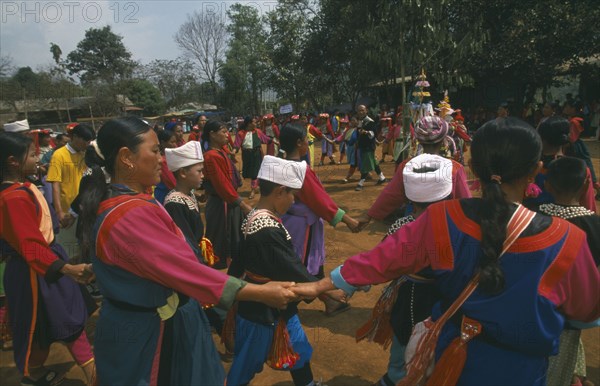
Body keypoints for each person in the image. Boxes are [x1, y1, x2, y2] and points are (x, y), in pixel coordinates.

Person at [293, 118, 600, 385]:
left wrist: (322, 283)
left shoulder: (443, 218)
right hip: (520, 371)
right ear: (535, 170)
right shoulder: (568, 240)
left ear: (473, 167)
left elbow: (383, 259)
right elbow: (586, 310)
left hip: (451, 359)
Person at [77, 116, 298, 385]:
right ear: (126, 157)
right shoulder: (130, 214)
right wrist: (259, 292)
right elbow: (183, 270)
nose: (162, 159)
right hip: (150, 332)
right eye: (156, 151)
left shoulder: (136, 199)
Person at [227, 156, 335, 386]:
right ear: (280, 191)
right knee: (246, 365)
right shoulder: (267, 228)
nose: (293, 200)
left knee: (298, 350)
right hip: (263, 312)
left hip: (269, 307)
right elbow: (291, 267)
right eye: (292, 195)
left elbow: (239, 261)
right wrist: (327, 288)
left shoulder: (254, 217)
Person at [0, 132, 96, 386]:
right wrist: (64, 268)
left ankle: (32, 376)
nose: (38, 159)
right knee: (66, 320)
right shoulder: (13, 198)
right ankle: (94, 375)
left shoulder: (22, 188)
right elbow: (29, 244)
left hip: (44, 263)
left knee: (44, 326)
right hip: (36, 270)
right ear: (13, 161)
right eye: (32, 155)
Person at [361, 153, 451, 386]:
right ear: (447, 194)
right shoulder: (456, 227)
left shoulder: (402, 225)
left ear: (410, 197)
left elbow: (382, 261)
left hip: (407, 297)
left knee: (401, 357)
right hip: (445, 299)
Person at [279, 123, 358, 315]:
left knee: (303, 263)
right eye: (307, 140)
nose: (308, 144)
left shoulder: (281, 165)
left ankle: (329, 300)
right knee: (304, 264)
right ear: (299, 143)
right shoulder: (301, 170)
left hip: (288, 221)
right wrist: (347, 220)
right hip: (303, 227)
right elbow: (320, 201)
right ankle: (288, 306)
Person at [539, 156, 600, 386]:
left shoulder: (530, 215)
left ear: (547, 185)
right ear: (586, 185)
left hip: (532, 307)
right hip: (571, 314)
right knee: (559, 369)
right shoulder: (595, 225)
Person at [360, 115, 471, 228]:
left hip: (415, 223)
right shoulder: (455, 168)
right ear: (444, 139)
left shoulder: (407, 166)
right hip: (444, 225)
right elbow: (465, 202)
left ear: (418, 140)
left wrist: (369, 216)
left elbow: (391, 194)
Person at [202, 120, 252, 272]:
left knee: (229, 237)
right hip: (222, 203)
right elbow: (221, 184)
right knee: (222, 238)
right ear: (212, 134)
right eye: (223, 132)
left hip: (228, 200)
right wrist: (241, 204)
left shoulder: (220, 152)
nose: (227, 135)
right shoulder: (211, 156)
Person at [524, 116, 596, 212]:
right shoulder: (580, 170)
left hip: (533, 223)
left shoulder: (528, 168)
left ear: (540, 138)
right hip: (570, 224)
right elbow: (589, 207)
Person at [46, 123, 95, 258]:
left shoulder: (85, 155)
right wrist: (59, 212)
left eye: (89, 140)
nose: (87, 143)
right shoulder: (59, 155)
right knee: (69, 251)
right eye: (85, 140)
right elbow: (55, 184)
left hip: (84, 208)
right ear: (73, 137)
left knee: (86, 248)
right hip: (67, 210)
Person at [234, 116, 273, 199]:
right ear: (249, 124)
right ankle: (256, 186)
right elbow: (237, 144)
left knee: (254, 173)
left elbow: (266, 139)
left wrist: (275, 142)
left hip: (256, 154)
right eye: (254, 122)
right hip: (246, 155)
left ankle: (253, 189)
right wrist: (233, 151)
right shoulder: (241, 133)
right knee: (249, 172)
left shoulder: (258, 132)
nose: (256, 123)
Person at [355, 104, 386, 191]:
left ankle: (361, 183)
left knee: (365, 164)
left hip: (368, 145)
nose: (361, 112)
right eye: (359, 110)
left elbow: (374, 133)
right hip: (362, 145)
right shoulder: (360, 121)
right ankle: (382, 177)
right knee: (374, 162)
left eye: (362, 110)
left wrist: (366, 132)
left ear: (366, 111)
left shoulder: (370, 121)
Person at [153, 129, 177, 204]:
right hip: (166, 196)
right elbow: (172, 183)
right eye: (172, 142)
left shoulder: (170, 158)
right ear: (163, 143)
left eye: (175, 142)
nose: (175, 145)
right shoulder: (163, 161)